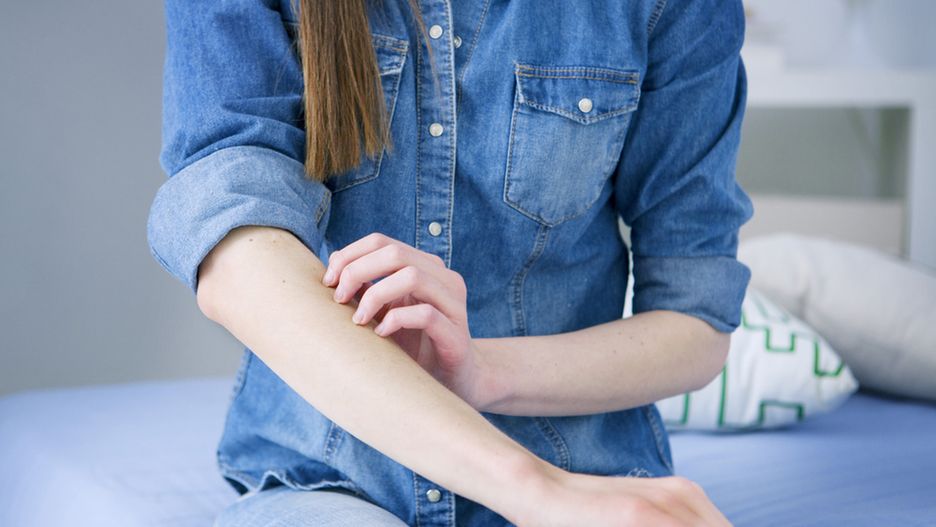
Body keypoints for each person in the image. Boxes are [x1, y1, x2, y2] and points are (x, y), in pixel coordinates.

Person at [146, 0, 753, 525]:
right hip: (330, 484)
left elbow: (695, 325)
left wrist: (484, 371)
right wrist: (535, 489)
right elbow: (237, 253)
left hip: (588, 474)